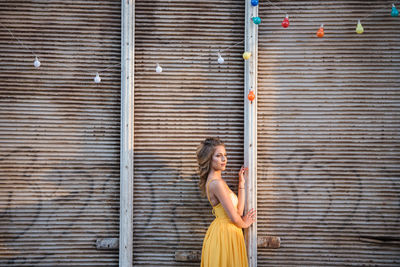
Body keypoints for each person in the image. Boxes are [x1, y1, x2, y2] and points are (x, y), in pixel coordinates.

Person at [196, 137, 256, 267]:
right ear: (209, 159)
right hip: (224, 235)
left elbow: (238, 211)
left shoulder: (220, 182)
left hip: (230, 233)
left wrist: (241, 184)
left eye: (225, 155)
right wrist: (245, 224)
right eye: (218, 155)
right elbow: (235, 218)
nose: (224, 159)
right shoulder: (216, 184)